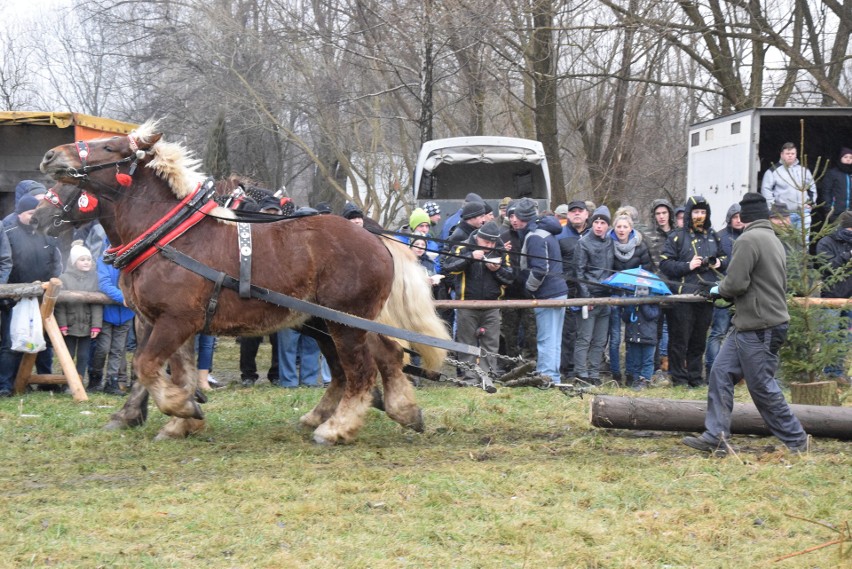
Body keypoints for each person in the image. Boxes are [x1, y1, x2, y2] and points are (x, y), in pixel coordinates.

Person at [682, 193, 809, 456]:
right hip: (751, 323)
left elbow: (736, 283)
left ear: (745, 217)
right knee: (720, 373)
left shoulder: (748, 240)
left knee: (761, 386)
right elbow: (755, 284)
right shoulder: (772, 239)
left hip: (760, 326)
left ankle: (797, 440)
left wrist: (716, 289)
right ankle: (716, 437)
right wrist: (722, 292)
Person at [660, 195, 727, 388]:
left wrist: (718, 262)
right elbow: (665, 264)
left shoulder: (713, 236)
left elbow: (725, 260)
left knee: (699, 340)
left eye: (703, 212)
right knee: (680, 340)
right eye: (696, 212)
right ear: (689, 213)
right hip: (683, 296)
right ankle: (679, 378)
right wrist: (688, 266)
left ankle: (695, 378)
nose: (700, 216)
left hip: (706, 295)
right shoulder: (677, 236)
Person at [0, 194, 62, 396]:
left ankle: (46, 381)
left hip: (43, 294)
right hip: (15, 296)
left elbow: (55, 262)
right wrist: (8, 293)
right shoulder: (8, 232)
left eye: (37, 213)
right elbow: (6, 262)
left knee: (44, 341)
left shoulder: (47, 233)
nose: (34, 217)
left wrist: (53, 282)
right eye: (29, 213)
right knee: (11, 342)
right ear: (19, 214)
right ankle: (5, 385)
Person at [442, 221, 514, 386]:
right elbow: (448, 267)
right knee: (466, 342)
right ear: (478, 238)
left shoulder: (501, 251)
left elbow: (509, 278)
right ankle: (470, 378)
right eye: (486, 242)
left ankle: (487, 377)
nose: (490, 246)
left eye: (492, 243)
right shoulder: (463, 247)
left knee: (491, 343)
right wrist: (469, 258)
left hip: (492, 304)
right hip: (466, 303)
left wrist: (497, 270)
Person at [607, 211, 653, 384]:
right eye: (618, 226)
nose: (621, 229)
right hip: (614, 294)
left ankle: (632, 374)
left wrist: (638, 290)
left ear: (630, 229)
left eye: (625, 227)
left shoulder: (640, 246)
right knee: (615, 338)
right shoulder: (608, 244)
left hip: (634, 295)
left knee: (633, 337)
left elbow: (646, 271)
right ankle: (616, 374)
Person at [573, 206, 614, 385]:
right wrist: (586, 297)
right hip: (589, 297)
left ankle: (594, 373)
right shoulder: (583, 243)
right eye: (596, 222)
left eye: (603, 223)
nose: (598, 226)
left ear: (607, 226)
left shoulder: (610, 242)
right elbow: (578, 272)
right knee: (584, 338)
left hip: (606, 297)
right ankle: (581, 374)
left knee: (600, 340)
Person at [704, 203, 744, 376]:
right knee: (718, 332)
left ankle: (736, 372)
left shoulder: (749, 238)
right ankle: (712, 369)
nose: (738, 220)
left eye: (741, 217)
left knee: (739, 334)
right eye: (734, 217)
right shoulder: (720, 237)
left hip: (742, 292)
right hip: (722, 289)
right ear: (729, 219)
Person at [92, 238, 135, 395]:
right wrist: (123, 298)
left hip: (125, 315)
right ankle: (95, 376)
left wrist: (130, 299)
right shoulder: (103, 261)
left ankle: (112, 381)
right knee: (102, 348)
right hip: (107, 313)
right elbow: (104, 284)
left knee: (117, 350)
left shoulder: (132, 260)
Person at [55, 242, 102, 385]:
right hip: (70, 325)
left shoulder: (94, 278)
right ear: (74, 262)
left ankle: (79, 381)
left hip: (87, 326)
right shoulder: (64, 278)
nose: (86, 262)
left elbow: (96, 303)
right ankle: (66, 381)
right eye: (82, 260)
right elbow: (60, 305)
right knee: (68, 355)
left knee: (83, 356)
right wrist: (62, 325)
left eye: (88, 259)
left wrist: (96, 326)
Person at [814, 210, 852, 379]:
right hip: (831, 297)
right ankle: (829, 373)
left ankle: (839, 373)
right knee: (830, 335)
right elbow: (827, 268)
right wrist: (847, 256)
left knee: (845, 337)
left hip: (850, 298)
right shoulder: (826, 242)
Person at [558, 200, 590, 377]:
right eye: (573, 211)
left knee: (586, 333)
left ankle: (585, 368)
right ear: (568, 215)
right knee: (568, 332)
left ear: (586, 214)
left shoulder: (595, 233)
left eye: (580, 211)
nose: (576, 214)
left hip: (590, 288)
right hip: (567, 288)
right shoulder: (560, 235)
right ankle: (567, 369)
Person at [760, 142, 816, 236]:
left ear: (796, 154)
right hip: (783, 215)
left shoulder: (803, 170)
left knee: (803, 243)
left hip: (803, 212)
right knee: (785, 242)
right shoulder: (773, 171)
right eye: (787, 154)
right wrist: (773, 209)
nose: (790, 156)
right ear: (782, 154)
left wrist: (811, 202)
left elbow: (812, 187)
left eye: (792, 154)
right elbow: (766, 190)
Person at [647, 198, 676, 373]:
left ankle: (672, 367)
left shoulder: (678, 234)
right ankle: (655, 367)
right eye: (658, 213)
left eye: (664, 213)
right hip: (656, 287)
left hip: (675, 287)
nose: (661, 217)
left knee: (675, 331)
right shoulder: (649, 236)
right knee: (655, 331)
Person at [622, 285, 660, 389]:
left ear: (649, 291)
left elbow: (651, 315)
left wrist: (643, 303)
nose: (641, 292)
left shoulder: (654, 303)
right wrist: (631, 306)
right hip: (634, 337)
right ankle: (636, 380)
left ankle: (645, 380)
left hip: (648, 337)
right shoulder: (632, 302)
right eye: (639, 289)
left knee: (648, 360)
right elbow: (625, 318)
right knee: (636, 361)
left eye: (644, 289)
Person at [819, 146, 852, 224]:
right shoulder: (832, 173)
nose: (848, 159)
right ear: (840, 158)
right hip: (835, 212)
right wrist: (828, 208)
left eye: (851, 157)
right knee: (836, 234)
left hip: (850, 212)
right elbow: (826, 191)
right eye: (845, 157)